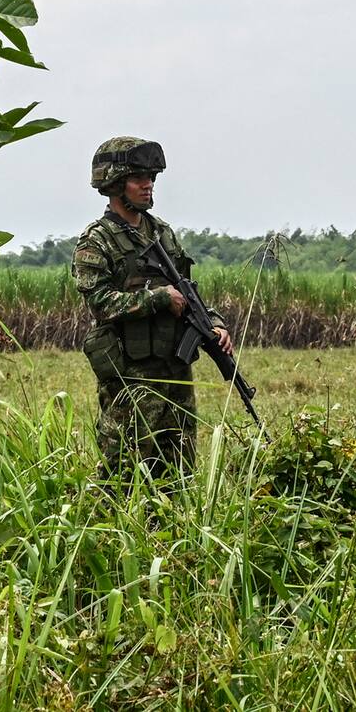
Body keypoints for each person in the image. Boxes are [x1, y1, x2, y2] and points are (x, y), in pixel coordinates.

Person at [71, 136, 233, 486]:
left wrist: (215, 324)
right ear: (114, 184)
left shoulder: (162, 233)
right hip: (132, 373)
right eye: (139, 178)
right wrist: (157, 298)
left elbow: (188, 292)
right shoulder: (97, 241)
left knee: (179, 466)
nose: (149, 185)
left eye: (152, 178)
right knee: (125, 468)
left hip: (174, 368)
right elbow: (100, 302)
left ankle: (175, 532)